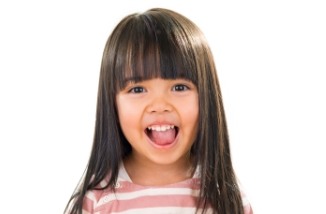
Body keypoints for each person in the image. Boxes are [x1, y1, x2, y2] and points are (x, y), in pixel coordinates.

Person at [65, 8, 253, 214]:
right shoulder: (96, 199)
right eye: (137, 89)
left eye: (179, 87)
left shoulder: (225, 198)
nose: (160, 105)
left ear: (207, 96)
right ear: (112, 103)